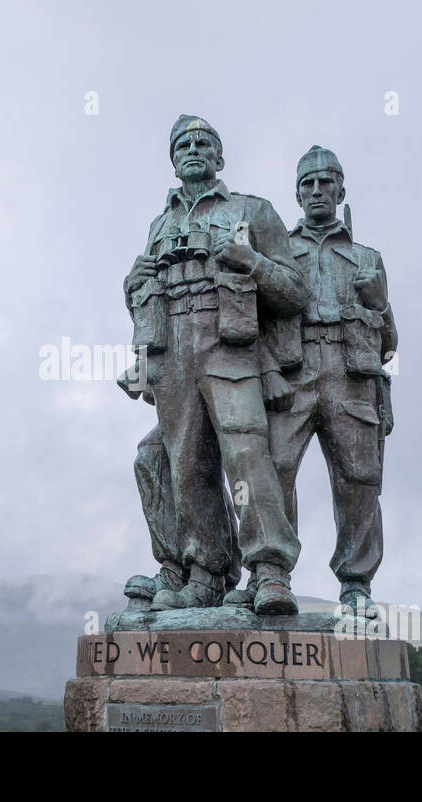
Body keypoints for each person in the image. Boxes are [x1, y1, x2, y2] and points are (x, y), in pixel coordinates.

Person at [120, 115, 307, 615]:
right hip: (173, 352)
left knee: (246, 454)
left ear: (220, 158)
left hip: (228, 344)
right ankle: (205, 573)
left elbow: (295, 294)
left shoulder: (252, 210)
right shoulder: (161, 224)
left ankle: (269, 570)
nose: (194, 149)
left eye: (204, 143)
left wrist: (253, 262)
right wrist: (129, 283)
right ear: (174, 160)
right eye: (184, 144)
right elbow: (144, 298)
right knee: (186, 466)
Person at [224, 146, 397, 617]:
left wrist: (377, 302)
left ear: (342, 189)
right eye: (308, 183)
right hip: (293, 374)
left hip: (351, 375)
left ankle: (356, 584)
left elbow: (390, 345)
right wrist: (266, 370)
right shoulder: (280, 248)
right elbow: (250, 319)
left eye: (326, 182)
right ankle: (271, 574)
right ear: (297, 193)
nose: (317, 190)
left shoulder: (367, 257)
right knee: (272, 471)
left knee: (359, 482)